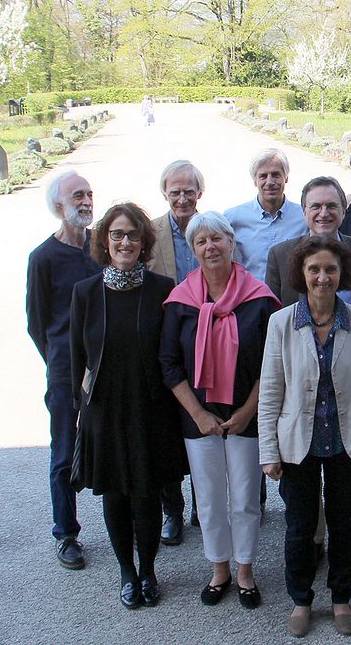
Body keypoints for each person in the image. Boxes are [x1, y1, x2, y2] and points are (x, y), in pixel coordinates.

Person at [259, 237, 351, 637]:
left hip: (347, 442)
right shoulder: (281, 322)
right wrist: (268, 450)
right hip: (298, 442)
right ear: (302, 273)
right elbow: (270, 391)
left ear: (341, 274)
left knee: (344, 525)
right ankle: (301, 600)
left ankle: (341, 598)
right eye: (314, 269)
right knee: (299, 527)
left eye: (330, 269)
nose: (322, 276)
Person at [160, 212, 279, 609]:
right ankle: (219, 568)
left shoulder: (258, 299)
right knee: (209, 498)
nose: (210, 247)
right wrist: (197, 414)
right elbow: (169, 363)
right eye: (200, 241)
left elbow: (272, 363)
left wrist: (248, 411)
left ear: (232, 242)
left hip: (246, 415)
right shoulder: (181, 302)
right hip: (199, 418)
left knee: (246, 497)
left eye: (217, 239)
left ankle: (245, 569)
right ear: (193, 251)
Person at [70, 202, 185, 609]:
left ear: (144, 241)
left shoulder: (163, 288)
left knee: (147, 494)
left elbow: (173, 353)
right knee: (115, 496)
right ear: (104, 240)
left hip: (150, 409)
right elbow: (76, 358)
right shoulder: (85, 292)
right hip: (104, 410)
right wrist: (79, 410)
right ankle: (126, 571)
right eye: (117, 234)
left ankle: (149, 570)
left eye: (132, 234)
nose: (124, 241)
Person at [27, 170, 101, 570]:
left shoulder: (101, 248)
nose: (87, 200)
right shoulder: (42, 258)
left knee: (114, 440)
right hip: (64, 372)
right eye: (78, 195)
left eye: (89, 193)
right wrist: (60, 359)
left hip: (105, 366)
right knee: (62, 452)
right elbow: (36, 323)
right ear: (59, 204)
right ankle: (66, 533)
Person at [148, 159, 206, 545]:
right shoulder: (148, 234)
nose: (182, 197)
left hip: (210, 343)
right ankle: (173, 509)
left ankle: (206, 504)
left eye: (189, 191)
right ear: (165, 193)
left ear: (200, 193)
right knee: (166, 430)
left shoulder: (214, 229)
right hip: (164, 342)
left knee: (207, 424)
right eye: (175, 191)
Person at [266, 176, 351, 307]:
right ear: (304, 212)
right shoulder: (280, 256)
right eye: (316, 206)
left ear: (343, 212)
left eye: (331, 206)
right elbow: (272, 314)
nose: (324, 213)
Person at [224, 148, 308, 282]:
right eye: (263, 176)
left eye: (276, 175)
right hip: (250, 298)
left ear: (286, 177)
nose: (270, 182)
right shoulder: (232, 219)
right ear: (254, 180)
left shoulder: (304, 217)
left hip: (290, 299)